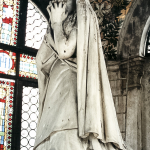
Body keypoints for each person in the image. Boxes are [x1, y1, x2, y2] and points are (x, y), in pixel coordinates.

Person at [34, 0, 126, 149]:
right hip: (55, 87)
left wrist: (57, 23)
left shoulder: (81, 20)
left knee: (65, 135)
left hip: (70, 87)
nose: (59, 2)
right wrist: (53, 27)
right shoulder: (57, 25)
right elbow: (40, 60)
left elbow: (65, 51)